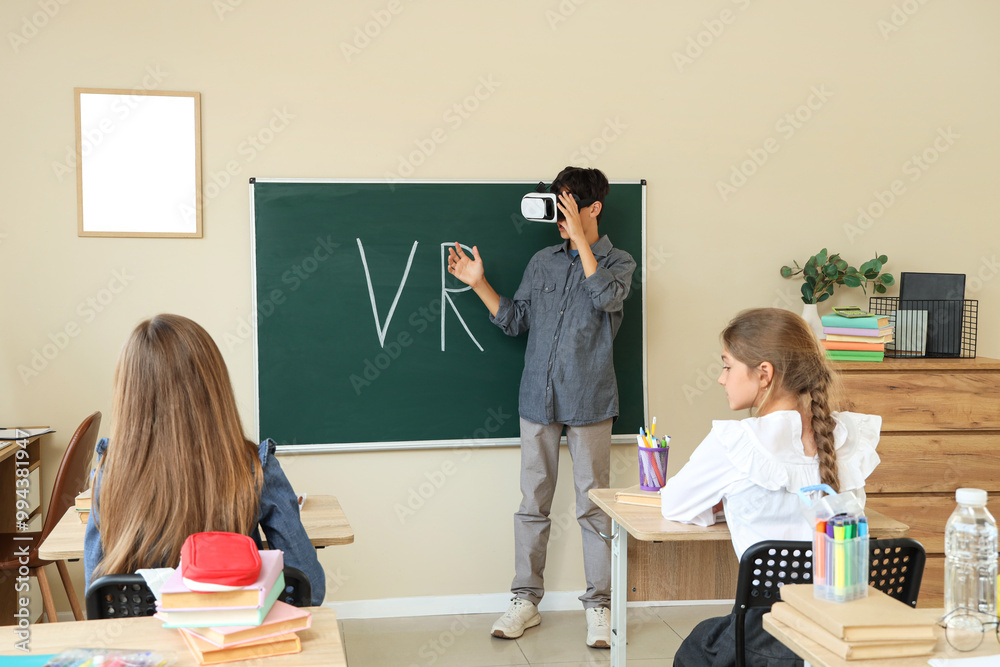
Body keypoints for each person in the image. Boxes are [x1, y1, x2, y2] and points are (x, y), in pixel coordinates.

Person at [448, 166, 636, 648]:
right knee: (532, 504)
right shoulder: (542, 262)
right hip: (537, 397)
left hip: (591, 399)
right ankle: (525, 600)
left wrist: (582, 243)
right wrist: (478, 282)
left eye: (568, 204)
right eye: (556, 204)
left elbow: (606, 299)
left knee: (594, 509)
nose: (559, 214)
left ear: (592, 208)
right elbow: (514, 321)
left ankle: (600, 606)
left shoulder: (619, 262)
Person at [661, 308, 882, 667]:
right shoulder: (846, 438)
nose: (721, 378)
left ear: (764, 373)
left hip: (773, 636)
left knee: (698, 645)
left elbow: (674, 504)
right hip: (844, 630)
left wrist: (723, 503)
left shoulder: (738, 442)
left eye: (727, 366)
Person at [84, 314, 325, 606]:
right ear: (214, 386)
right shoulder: (254, 468)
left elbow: (96, 594)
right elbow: (309, 586)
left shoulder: (108, 472)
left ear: (128, 396)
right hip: (235, 639)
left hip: (146, 647)